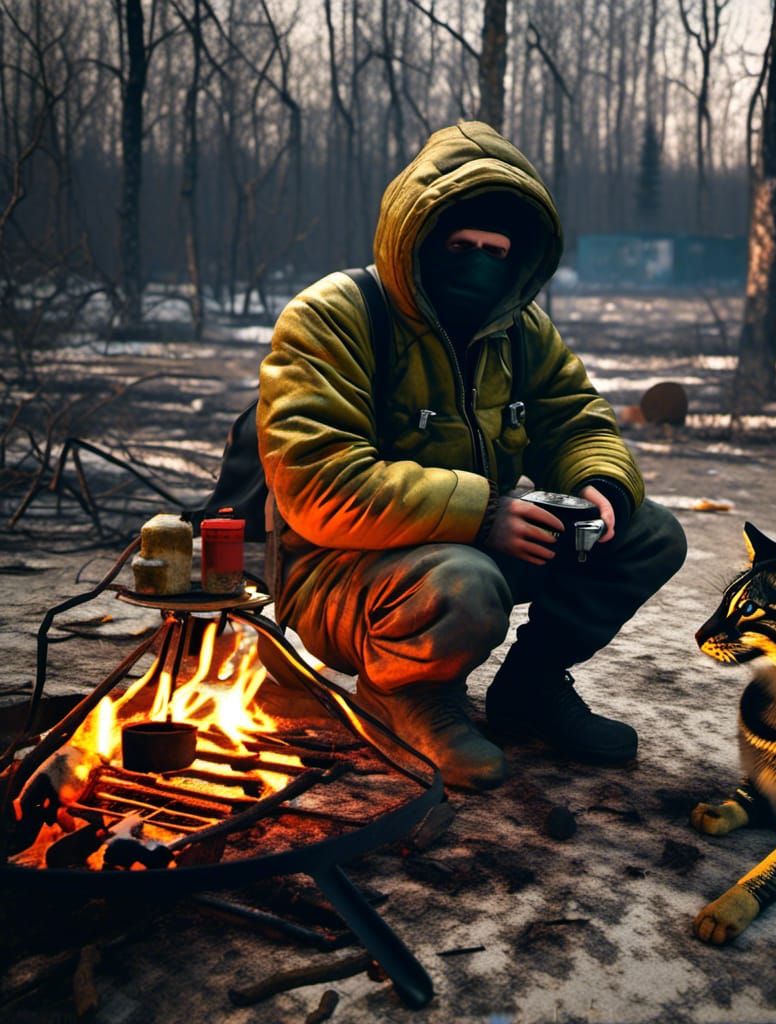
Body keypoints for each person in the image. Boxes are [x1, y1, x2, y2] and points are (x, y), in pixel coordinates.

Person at [257, 121, 687, 791]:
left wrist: (600, 483)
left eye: (495, 250)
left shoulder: (518, 330)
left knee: (648, 533)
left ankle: (531, 688)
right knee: (465, 583)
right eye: (460, 245)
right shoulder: (334, 315)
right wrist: (484, 514)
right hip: (337, 575)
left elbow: (575, 418)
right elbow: (320, 485)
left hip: (468, 548)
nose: (478, 263)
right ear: (419, 241)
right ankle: (403, 696)